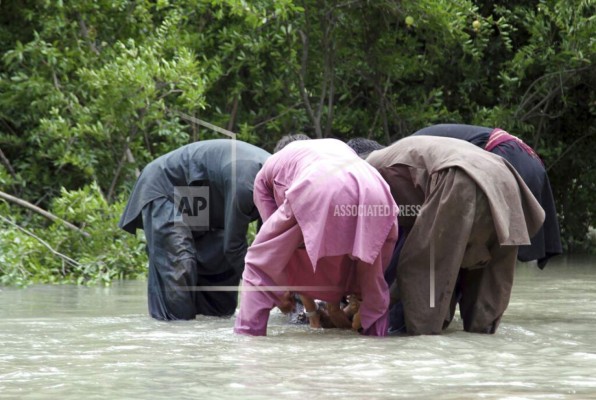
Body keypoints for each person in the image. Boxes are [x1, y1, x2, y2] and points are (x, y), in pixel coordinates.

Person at [350, 136, 544, 335]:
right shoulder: (401, 154)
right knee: (488, 278)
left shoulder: (367, 168)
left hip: (461, 178)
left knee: (421, 271)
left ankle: (425, 346)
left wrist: (367, 305)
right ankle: (484, 344)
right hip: (507, 180)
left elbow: (376, 249)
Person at [233, 137, 399, 336]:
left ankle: (247, 339)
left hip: (319, 185)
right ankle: (379, 344)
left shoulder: (266, 174)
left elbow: (276, 253)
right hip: (376, 189)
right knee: (371, 280)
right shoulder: (331, 147)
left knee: (257, 265)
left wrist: (280, 292)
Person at [119, 139, 270, 320]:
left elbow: (268, 251)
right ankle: (177, 335)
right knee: (180, 265)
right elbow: (234, 247)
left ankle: (206, 335)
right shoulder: (247, 182)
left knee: (218, 269)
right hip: (171, 185)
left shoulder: (281, 191)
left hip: (200, 191)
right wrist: (266, 290)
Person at [412, 124, 562, 268]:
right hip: (526, 159)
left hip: (507, 156)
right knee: (500, 252)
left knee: (494, 250)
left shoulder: (406, 153)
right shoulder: (418, 144)